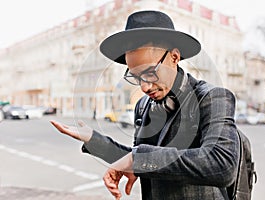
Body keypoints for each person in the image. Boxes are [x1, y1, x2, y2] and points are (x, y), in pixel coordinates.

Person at [51, 10, 240, 200]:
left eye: (150, 73)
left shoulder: (213, 97)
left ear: (174, 58)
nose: (144, 87)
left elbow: (222, 165)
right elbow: (139, 158)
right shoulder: (143, 106)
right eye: (135, 77)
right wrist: (96, 141)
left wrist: (137, 159)